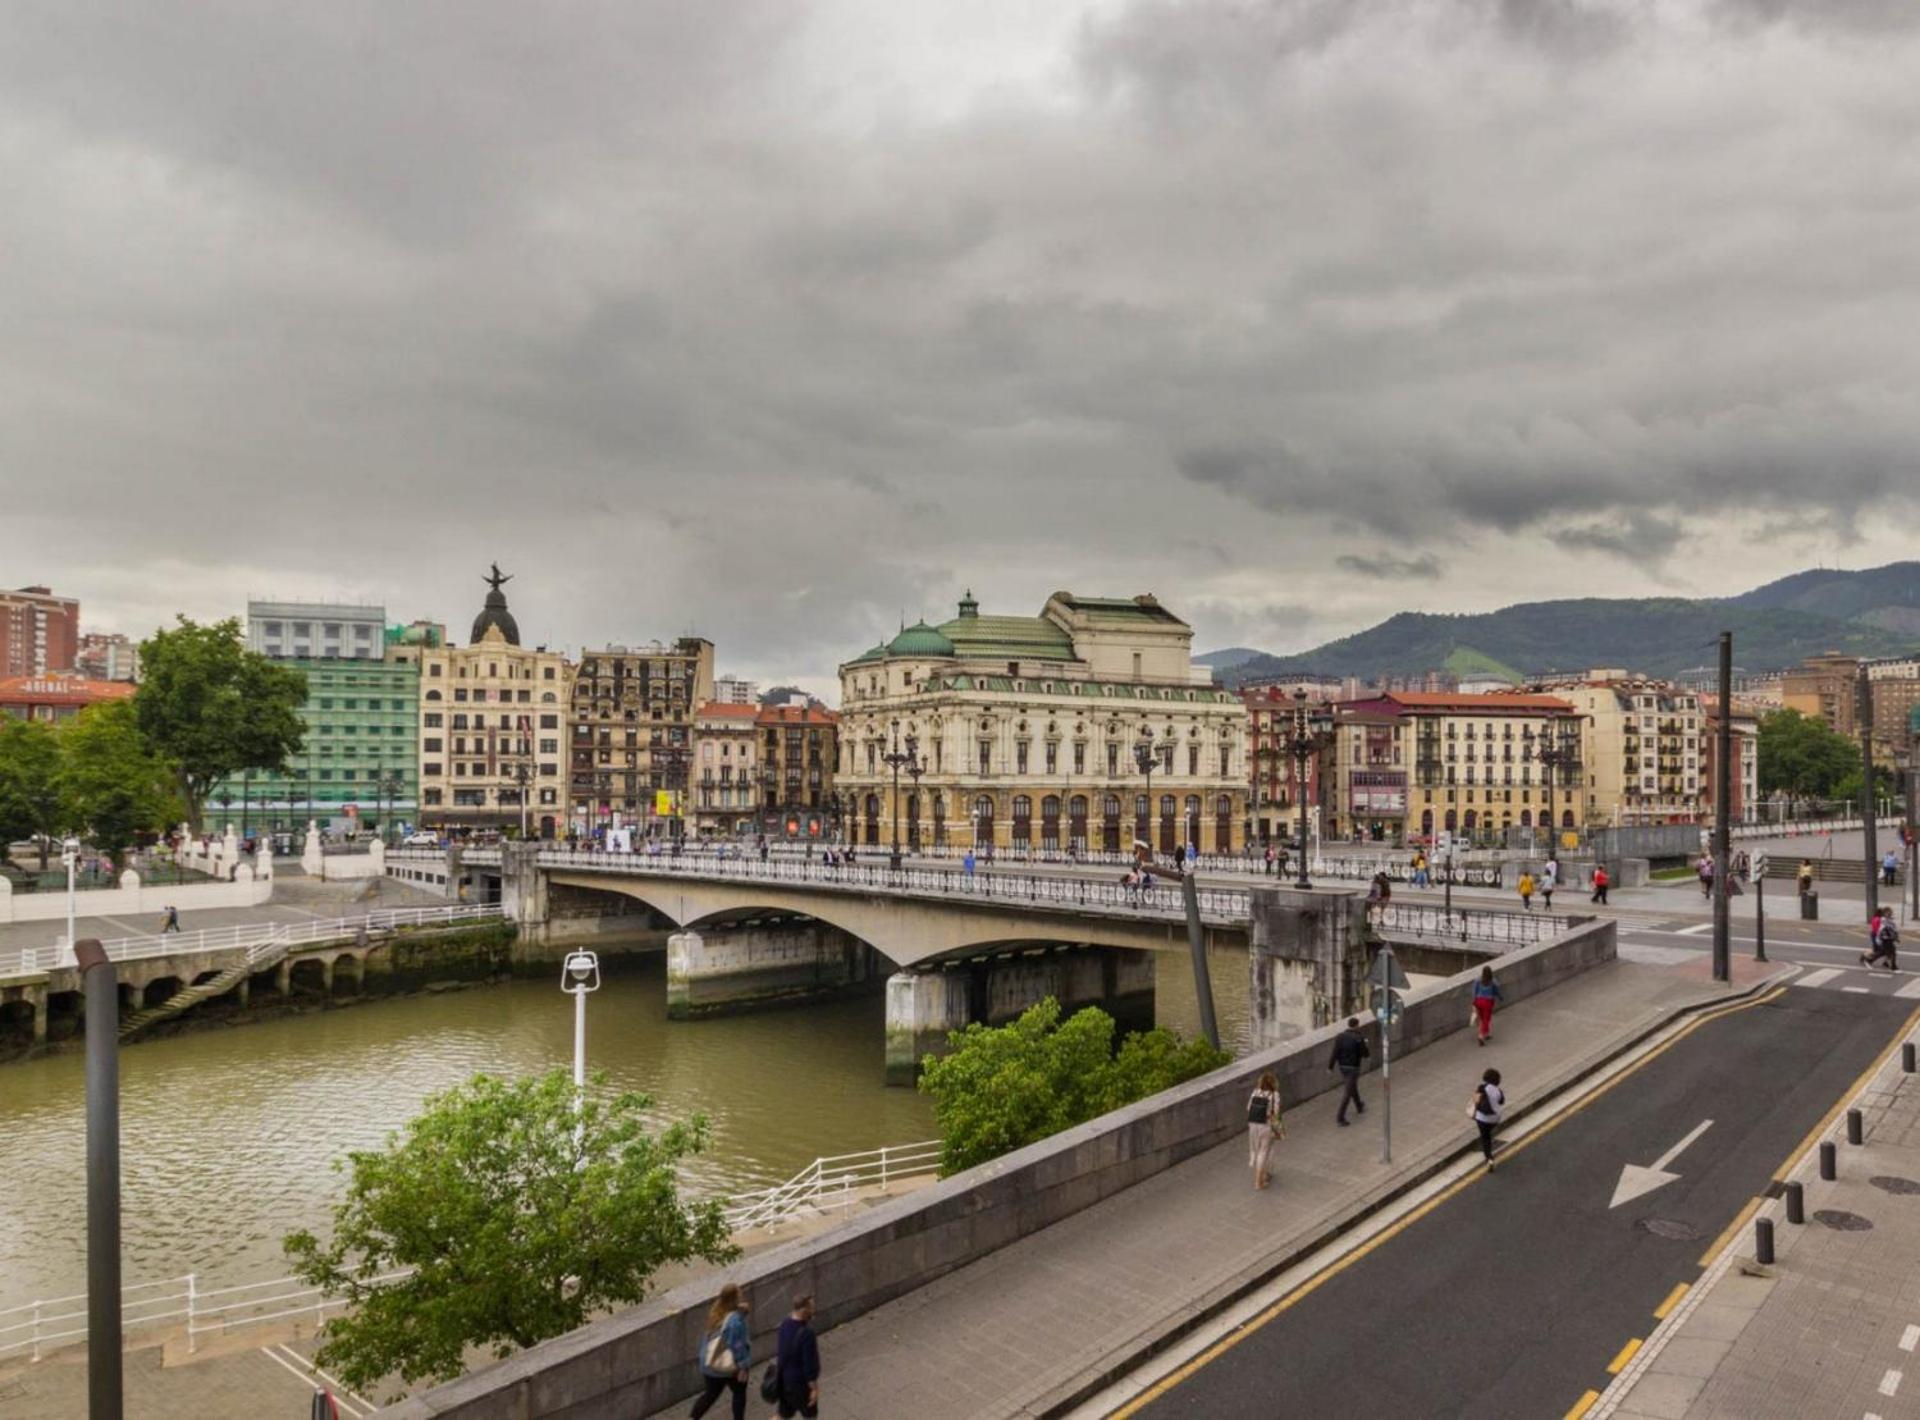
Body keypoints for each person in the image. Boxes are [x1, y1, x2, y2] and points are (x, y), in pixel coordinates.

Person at [690, 1283, 751, 1420]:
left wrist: (741, 1313)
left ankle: (693, 1417)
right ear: (735, 1299)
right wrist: (743, 1366)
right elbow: (737, 1345)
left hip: (710, 1363)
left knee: (710, 1394)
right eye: (739, 1294)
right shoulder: (735, 1321)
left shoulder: (716, 1312)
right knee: (739, 1392)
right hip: (727, 1364)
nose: (742, 1296)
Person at [771, 1293, 821, 1419]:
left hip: (785, 1381)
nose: (813, 1311)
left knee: (782, 1414)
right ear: (804, 1310)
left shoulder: (784, 1324)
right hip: (801, 1384)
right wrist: (814, 1388)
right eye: (811, 1308)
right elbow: (809, 1364)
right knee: (810, 1415)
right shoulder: (807, 1334)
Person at [1247, 1070, 1285, 1189]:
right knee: (1264, 1151)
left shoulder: (1255, 1092)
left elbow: (1248, 1108)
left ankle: (1264, 1173)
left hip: (1253, 1124)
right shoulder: (1274, 1095)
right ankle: (1259, 1181)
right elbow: (1276, 1112)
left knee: (1257, 1149)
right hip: (1266, 1125)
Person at [1328, 1017, 1370, 1126]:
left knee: (1352, 1086)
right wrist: (1365, 1044)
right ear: (1357, 1025)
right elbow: (1365, 1054)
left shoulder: (1340, 1037)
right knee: (1348, 1091)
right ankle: (1340, 1117)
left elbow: (1335, 1053)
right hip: (1353, 1067)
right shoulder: (1358, 1038)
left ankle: (1359, 1106)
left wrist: (1330, 1067)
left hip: (1342, 1067)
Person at [1471, 1068, 1505, 1172]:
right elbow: (1501, 1101)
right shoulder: (1498, 1090)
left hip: (1482, 1118)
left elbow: (1475, 1100)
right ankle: (1489, 1144)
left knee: (1485, 1138)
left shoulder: (1482, 1087)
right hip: (1495, 1118)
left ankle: (1489, 1159)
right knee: (1488, 1134)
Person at [1472, 966, 1504, 1046]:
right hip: (1487, 1002)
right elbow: (1497, 991)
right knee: (1486, 1019)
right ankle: (1481, 1036)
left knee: (1482, 1019)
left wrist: (1473, 1002)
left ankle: (1486, 1034)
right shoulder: (1493, 981)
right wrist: (1500, 997)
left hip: (1478, 1001)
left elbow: (1474, 991)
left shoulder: (1477, 980)